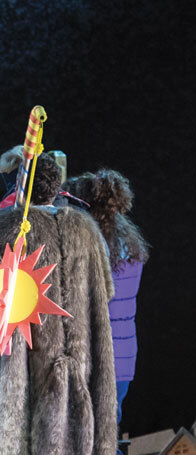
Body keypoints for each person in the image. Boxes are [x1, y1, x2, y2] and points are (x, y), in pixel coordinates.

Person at [0, 153, 117, 454]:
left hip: (22, 361)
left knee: (19, 433)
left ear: (23, 183)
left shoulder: (6, 227)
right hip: (82, 357)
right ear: (57, 187)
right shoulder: (87, 231)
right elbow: (106, 290)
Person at [63, 170, 149, 432]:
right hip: (123, 357)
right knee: (108, 429)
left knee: (87, 433)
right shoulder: (130, 246)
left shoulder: (91, 248)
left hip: (97, 355)